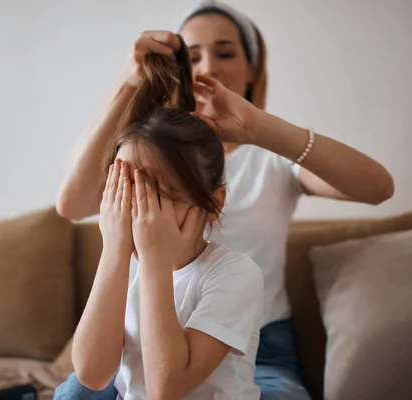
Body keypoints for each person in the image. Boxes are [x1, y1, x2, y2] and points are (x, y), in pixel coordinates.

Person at [56, 1, 394, 399]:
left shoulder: (271, 161)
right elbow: (71, 205)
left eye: (225, 52)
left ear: (252, 68)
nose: (208, 67)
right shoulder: (140, 157)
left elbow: (377, 187)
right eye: (193, 56)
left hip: (255, 342)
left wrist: (256, 127)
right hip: (145, 340)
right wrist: (129, 82)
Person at [55, 37, 264, 399]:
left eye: (160, 199)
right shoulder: (126, 263)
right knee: (72, 391)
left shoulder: (235, 274)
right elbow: (92, 373)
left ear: (212, 203)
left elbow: (165, 388)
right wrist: (113, 251)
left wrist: (155, 259)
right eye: (129, 194)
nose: (142, 217)